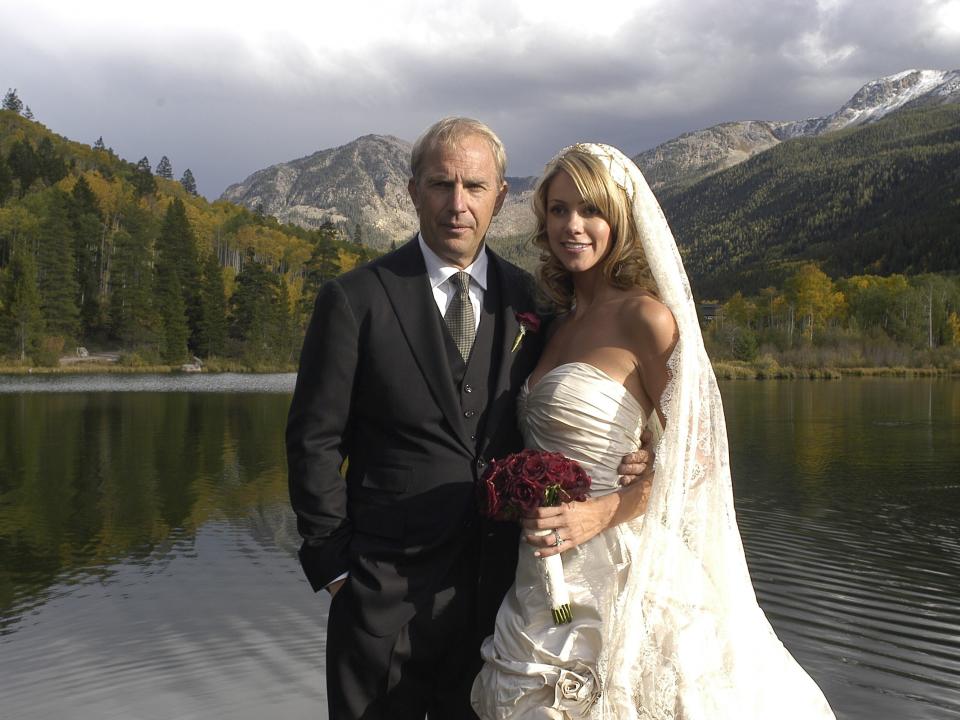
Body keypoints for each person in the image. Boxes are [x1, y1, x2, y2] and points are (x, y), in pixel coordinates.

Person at [286, 119, 652, 720]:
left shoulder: (533, 303)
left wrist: (645, 456)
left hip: (504, 600)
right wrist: (335, 570)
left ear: (500, 196)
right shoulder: (356, 300)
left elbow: (599, 401)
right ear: (413, 192)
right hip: (381, 598)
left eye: (475, 187)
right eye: (441, 185)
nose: (458, 204)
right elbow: (314, 440)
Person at [471, 143, 836, 719]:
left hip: (621, 558)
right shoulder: (556, 324)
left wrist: (606, 507)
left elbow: (702, 456)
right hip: (545, 561)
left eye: (590, 211)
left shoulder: (647, 317)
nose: (572, 226)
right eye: (559, 210)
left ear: (620, 219)